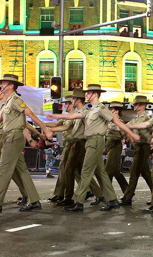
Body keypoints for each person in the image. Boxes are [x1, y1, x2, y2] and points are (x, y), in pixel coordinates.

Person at [47, 84, 138, 212]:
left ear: (95, 94)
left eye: (88, 93)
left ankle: (79, 201)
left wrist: (132, 133)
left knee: (86, 171)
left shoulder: (101, 108)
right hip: (91, 142)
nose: (86, 95)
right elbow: (73, 116)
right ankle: (112, 200)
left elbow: (116, 121)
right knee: (101, 172)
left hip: (95, 141)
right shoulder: (91, 110)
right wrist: (55, 116)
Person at [0, 74, 53, 213]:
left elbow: (30, 115)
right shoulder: (8, 103)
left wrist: (44, 129)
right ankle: (34, 200)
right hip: (11, 137)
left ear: (11, 85)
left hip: (13, 137)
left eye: (3, 83)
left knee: (3, 170)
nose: (1, 86)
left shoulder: (16, 100)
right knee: (22, 171)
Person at [120, 95, 153, 206]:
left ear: (143, 105)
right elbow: (126, 129)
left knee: (134, 172)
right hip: (138, 147)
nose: (134, 106)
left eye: (136, 104)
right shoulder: (135, 119)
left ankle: (128, 197)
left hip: (144, 146)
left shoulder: (147, 118)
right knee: (145, 173)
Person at [104, 101, 129, 193]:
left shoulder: (119, 121)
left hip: (115, 144)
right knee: (116, 171)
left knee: (108, 171)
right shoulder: (110, 121)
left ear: (116, 111)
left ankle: (106, 194)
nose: (110, 110)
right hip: (110, 145)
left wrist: (110, 128)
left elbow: (122, 130)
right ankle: (127, 191)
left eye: (111, 109)